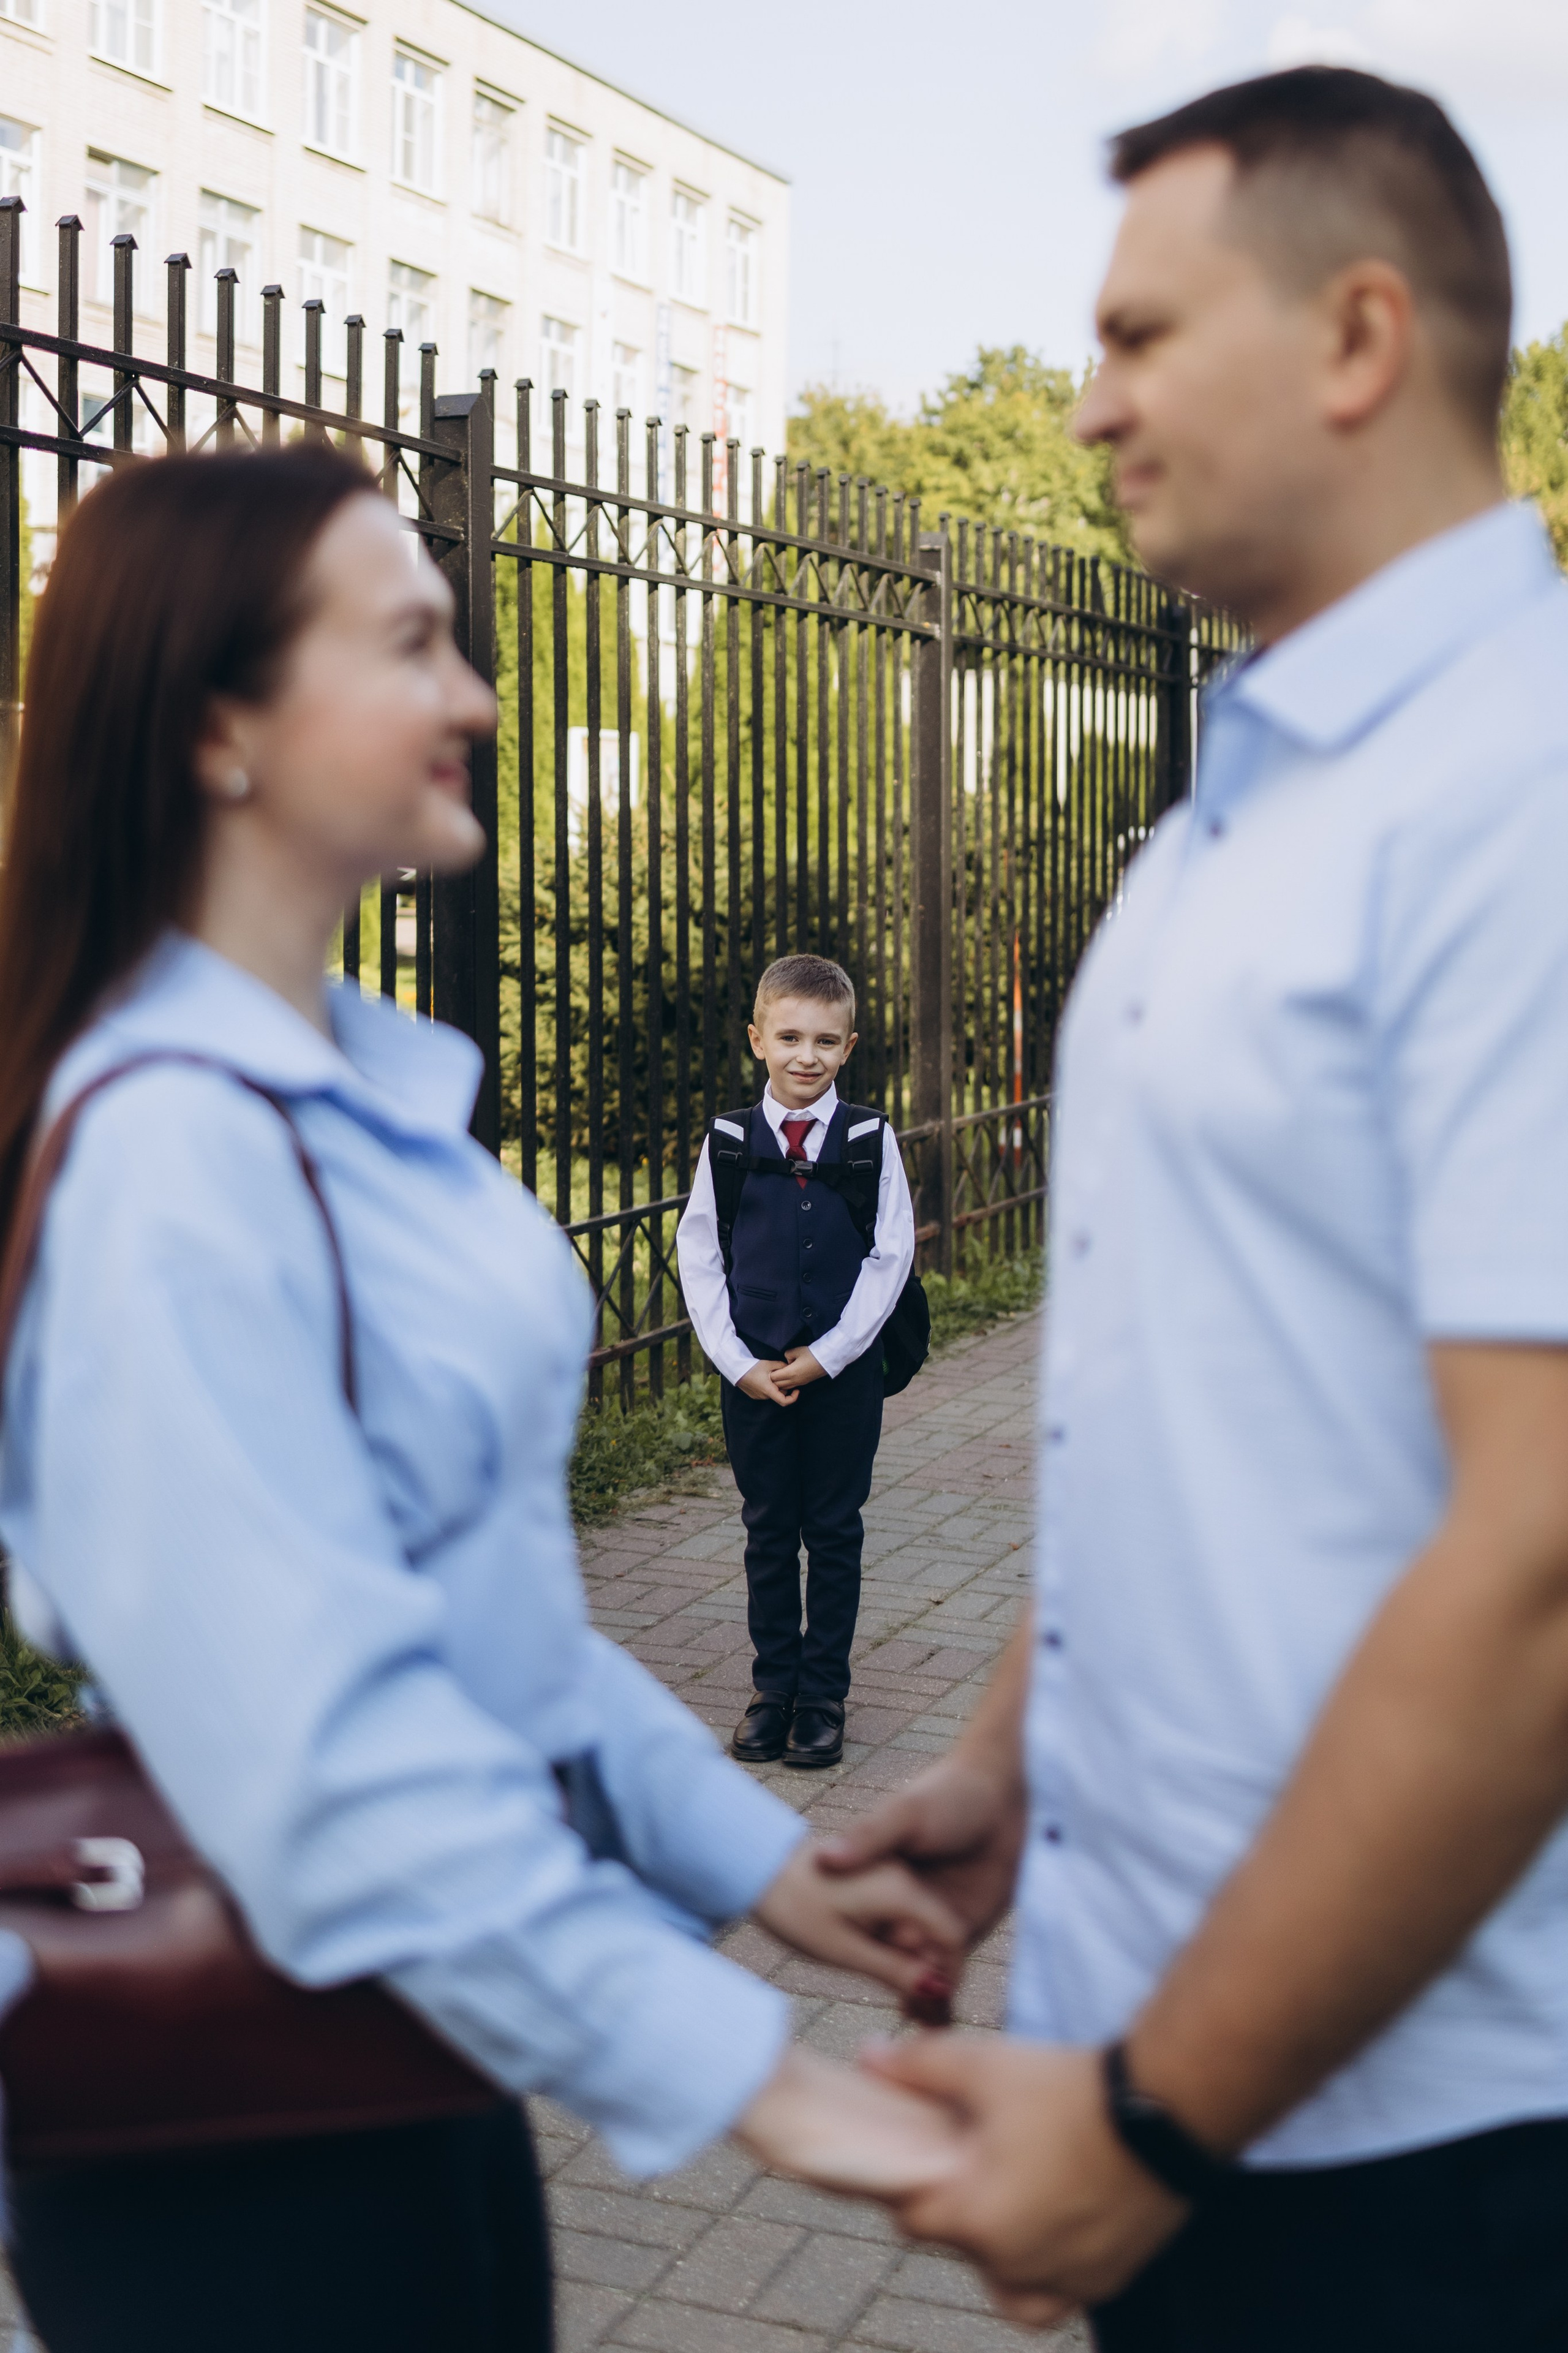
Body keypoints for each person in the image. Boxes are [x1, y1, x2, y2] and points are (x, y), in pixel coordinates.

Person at [0, 447, 965, 2353]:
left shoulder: (362, 1091)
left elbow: (478, 1616)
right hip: (244, 2134)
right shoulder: (173, 1160)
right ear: (221, 729)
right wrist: (781, 2091)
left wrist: (760, 1858)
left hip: (405, 2062)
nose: (480, 696)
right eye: (412, 644)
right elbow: (337, 1758)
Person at [825, 64, 1568, 2352]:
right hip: (1192, 2057)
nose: (1079, 408)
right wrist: (1006, 1764)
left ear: (1357, 339)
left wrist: (1151, 2124)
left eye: (1143, 339)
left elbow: (1540, 1566)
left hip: (1420, 2147)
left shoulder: (1518, 803)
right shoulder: (1225, 826)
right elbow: (1196, 1415)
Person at [676, 957, 914, 1770]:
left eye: (823, 1039)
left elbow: (892, 1257)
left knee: (834, 1530)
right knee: (768, 1531)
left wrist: (829, 1355)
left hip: (841, 1380)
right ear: (758, 1040)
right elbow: (700, 1252)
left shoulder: (870, 1139)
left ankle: (823, 1696)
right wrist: (737, 1361)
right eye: (789, 1037)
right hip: (752, 1378)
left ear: (848, 1046)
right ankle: (772, 1688)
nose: (805, 1055)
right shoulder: (731, 1141)